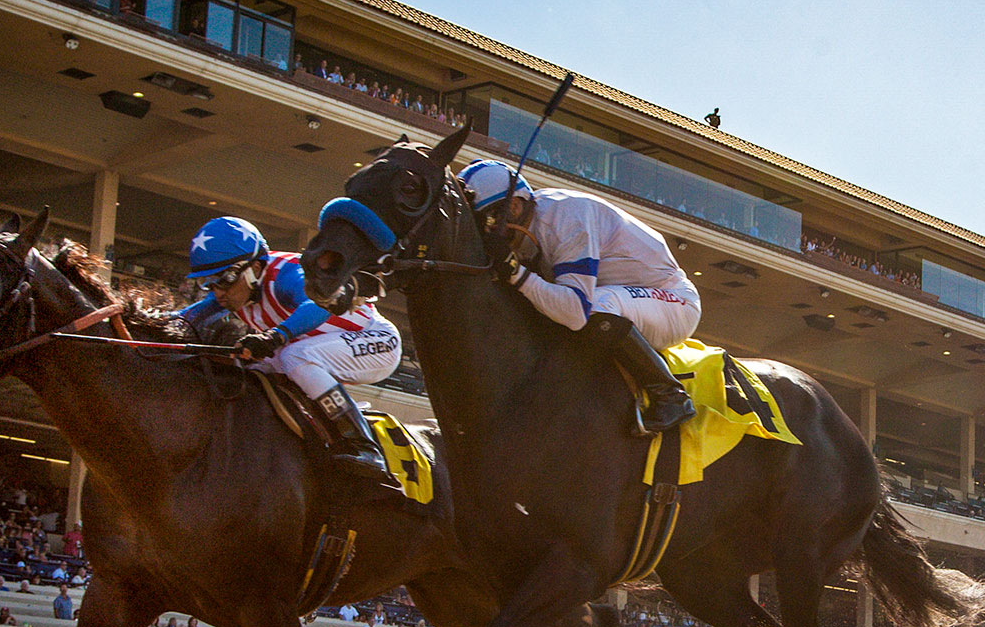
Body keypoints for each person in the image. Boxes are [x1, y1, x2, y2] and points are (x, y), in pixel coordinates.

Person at [457, 158, 699, 433]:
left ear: (514, 206)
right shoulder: (533, 224)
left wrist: (515, 272)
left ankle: (670, 395)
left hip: (673, 301)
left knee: (596, 305)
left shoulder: (567, 218)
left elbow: (575, 312)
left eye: (487, 222)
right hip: (628, 300)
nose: (485, 234)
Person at [176, 215, 402, 496]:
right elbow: (182, 320)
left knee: (293, 355)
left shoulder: (286, 274)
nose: (217, 292)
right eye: (209, 283)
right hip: (323, 348)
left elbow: (319, 306)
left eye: (224, 280)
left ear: (254, 268)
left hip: (377, 342)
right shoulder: (233, 292)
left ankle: (363, 445)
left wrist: (275, 336)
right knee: (249, 368)